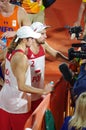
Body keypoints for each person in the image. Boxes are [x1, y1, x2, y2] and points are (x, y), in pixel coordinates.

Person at [0, 26, 53, 130]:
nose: (33, 41)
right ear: (24, 40)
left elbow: (3, 66)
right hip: (17, 106)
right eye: (31, 38)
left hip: (4, 101)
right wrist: (43, 91)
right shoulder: (21, 58)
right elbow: (22, 86)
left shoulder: (9, 50)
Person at [26, 22, 69, 112]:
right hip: (26, 96)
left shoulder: (43, 45)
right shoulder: (25, 49)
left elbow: (56, 55)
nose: (45, 36)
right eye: (42, 33)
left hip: (38, 92)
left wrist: (70, 61)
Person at [0, 0, 31, 84]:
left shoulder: (20, 12)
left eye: (2, 1)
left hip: (13, 55)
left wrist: (15, 33)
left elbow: (29, 32)